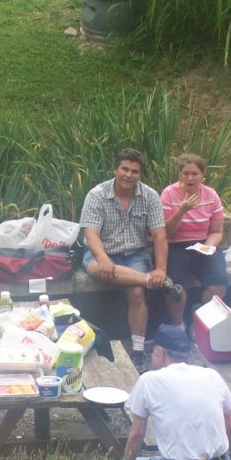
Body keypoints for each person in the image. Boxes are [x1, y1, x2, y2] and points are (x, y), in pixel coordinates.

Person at [80, 148, 183, 372]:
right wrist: (104, 259)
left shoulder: (149, 196)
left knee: (137, 293)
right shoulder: (96, 194)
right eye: (124, 169)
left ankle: (137, 351)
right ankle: (149, 281)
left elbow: (159, 235)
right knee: (99, 269)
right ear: (116, 169)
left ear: (140, 174)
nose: (128, 175)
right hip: (103, 252)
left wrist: (162, 269)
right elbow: (91, 235)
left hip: (134, 254)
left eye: (134, 171)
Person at [122, 324, 231, 460]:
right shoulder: (212, 375)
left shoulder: (148, 380)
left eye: (152, 352)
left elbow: (137, 434)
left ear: (160, 353)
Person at [160, 154, 229, 330]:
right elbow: (166, 231)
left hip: (203, 243)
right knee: (176, 288)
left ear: (202, 174)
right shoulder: (169, 194)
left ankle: (200, 322)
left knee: (218, 284)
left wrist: (209, 246)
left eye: (195, 174)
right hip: (176, 244)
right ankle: (178, 325)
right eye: (186, 173)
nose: (190, 178)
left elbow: (216, 231)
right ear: (180, 175)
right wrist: (182, 210)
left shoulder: (211, 195)